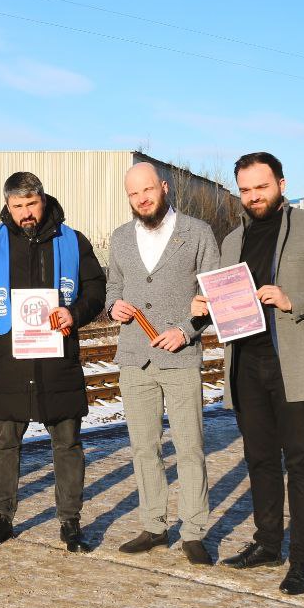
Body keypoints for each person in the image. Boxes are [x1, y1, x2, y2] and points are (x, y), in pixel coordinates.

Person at [192, 151, 304, 595]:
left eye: (261, 187)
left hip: (297, 363)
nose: (253, 196)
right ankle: (267, 544)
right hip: (246, 363)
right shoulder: (231, 241)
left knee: (302, 463)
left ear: (281, 184)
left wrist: (292, 300)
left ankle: (303, 560)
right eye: (245, 190)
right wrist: (203, 308)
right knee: (260, 459)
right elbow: (226, 301)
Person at [0, 172, 107, 552]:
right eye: (18, 206)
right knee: (4, 444)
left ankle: (70, 520)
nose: (26, 212)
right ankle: (1, 517)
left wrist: (75, 313)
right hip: (8, 360)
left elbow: (96, 288)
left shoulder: (72, 240)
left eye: (32, 204)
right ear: (7, 206)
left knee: (67, 443)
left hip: (59, 360)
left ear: (43, 200)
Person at [106, 162, 219, 566]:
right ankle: (154, 525)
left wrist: (186, 331)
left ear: (164, 188)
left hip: (180, 357)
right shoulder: (120, 237)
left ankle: (194, 531)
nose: (141, 199)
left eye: (147, 190)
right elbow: (113, 286)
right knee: (144, 448)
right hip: (134, 358)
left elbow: (215, 294)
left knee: (190, 447)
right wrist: (113, 306)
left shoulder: (198, 232)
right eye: (133, 193)